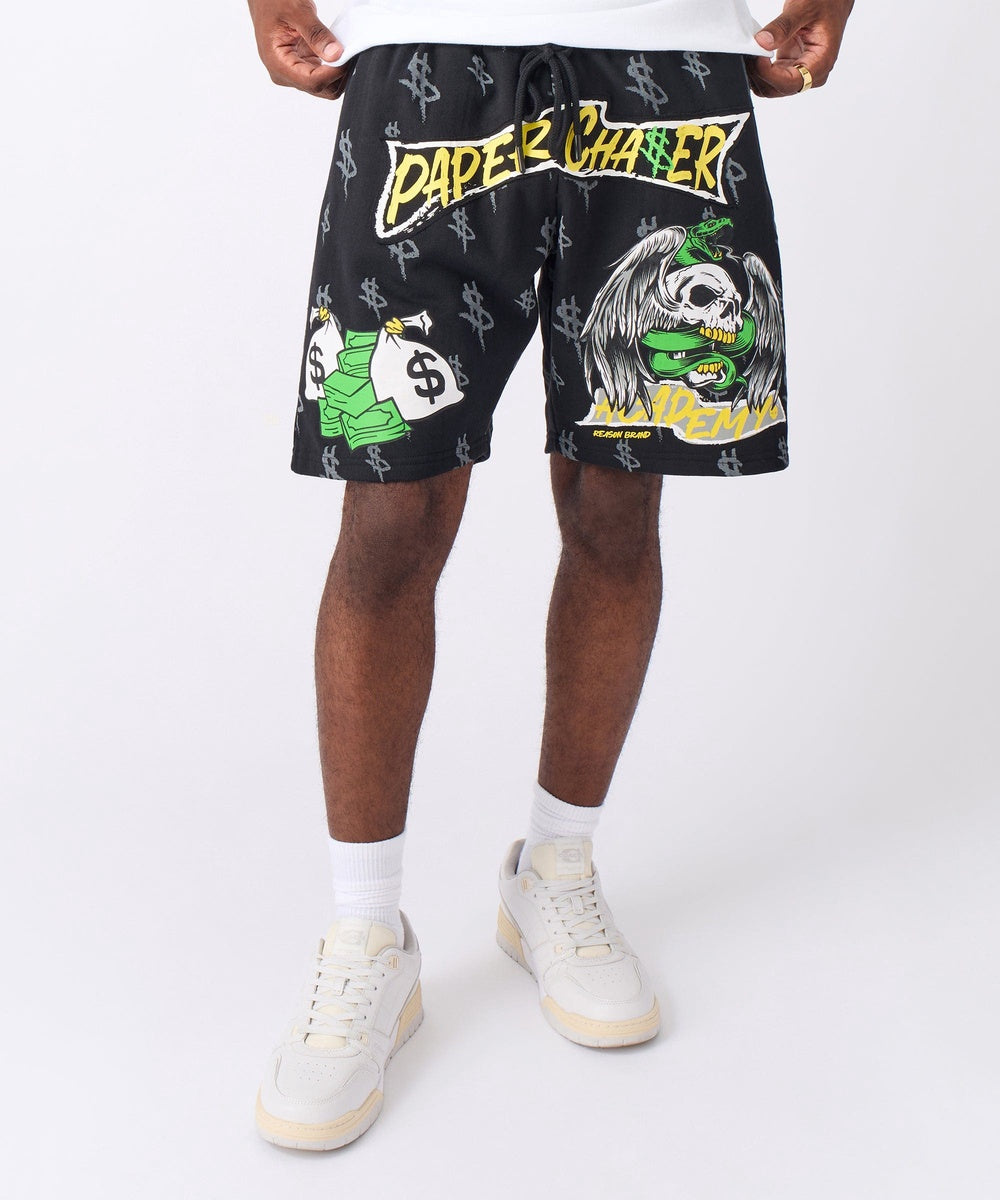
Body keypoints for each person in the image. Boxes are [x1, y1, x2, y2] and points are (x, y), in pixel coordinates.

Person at [247, 0, 855, 1152]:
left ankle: (555, 867)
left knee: (617, 500)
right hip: (428, 52)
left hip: (666, 55)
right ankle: (367, 932)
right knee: (390, 510)